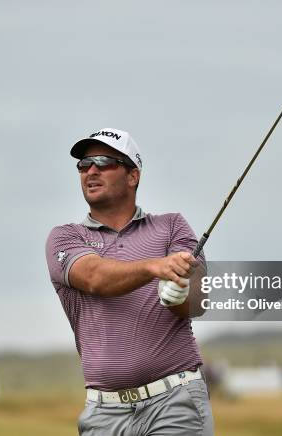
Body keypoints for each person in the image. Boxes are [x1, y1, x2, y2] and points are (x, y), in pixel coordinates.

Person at [45, 127, 214, 435]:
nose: (90, 171)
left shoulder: (171, 226)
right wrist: (156, 267)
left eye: (103, 162)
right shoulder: (65, 237)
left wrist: (177, 294)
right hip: (104, 413)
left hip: (174, 401)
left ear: (132, 175)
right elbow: (95, 277)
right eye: (83, 165)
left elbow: (198, 302)